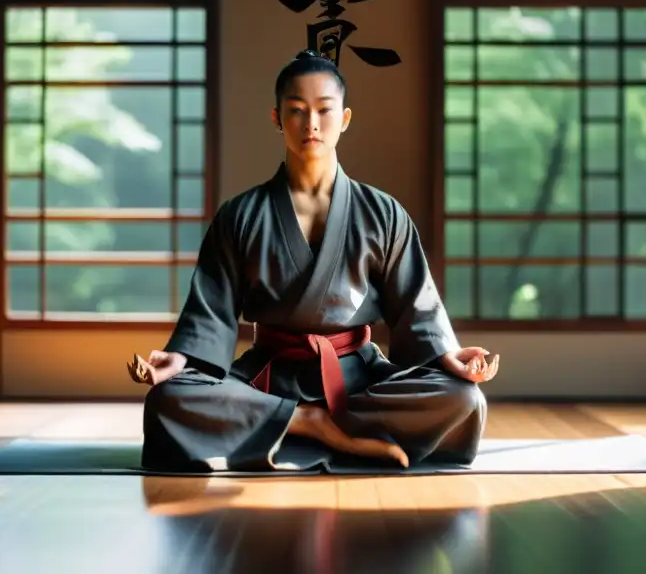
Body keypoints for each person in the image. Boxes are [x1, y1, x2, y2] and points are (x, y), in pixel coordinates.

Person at [128, 50, 500, 472]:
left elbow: (417, 305)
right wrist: (182, 358)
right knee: (169, 397)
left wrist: (444, 355)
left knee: (462, 397)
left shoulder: (382, 212)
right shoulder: (241, 214)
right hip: (267, 377)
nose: (312, 124)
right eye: (297, 111)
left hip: (358, 380)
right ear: (276, 118)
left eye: (324, 110)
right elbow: (211, 312)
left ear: (344, 118)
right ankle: (308, 422)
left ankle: (290, 424)